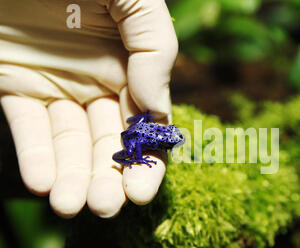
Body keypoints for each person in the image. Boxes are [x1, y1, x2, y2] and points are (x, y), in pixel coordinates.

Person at [0, 0, 178, 218]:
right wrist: (137, 157)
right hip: (130, 138)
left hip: (135, 132)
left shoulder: (155, 135)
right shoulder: (147, 139)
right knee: (123, 153)